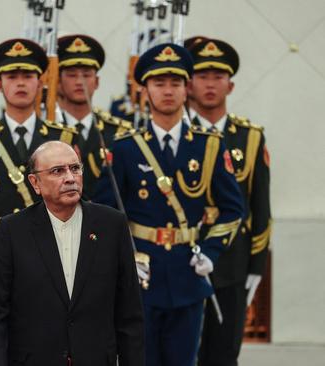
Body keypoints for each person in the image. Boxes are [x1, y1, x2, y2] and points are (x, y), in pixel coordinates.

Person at [93, 43, 244, 366]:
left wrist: (211, 251)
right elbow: (105, 214)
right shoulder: (126, 149)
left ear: (187, 88)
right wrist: (126, 257)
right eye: (159, 83)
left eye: (175, 83)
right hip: (140, 278)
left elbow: (233, 208)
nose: (167, 91)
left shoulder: (209, 147)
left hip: (188, 276)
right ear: (145, 90)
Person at [0, 141, 145, 366]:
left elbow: (129, 313)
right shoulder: (12, 230)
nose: (70, 178)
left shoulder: (111, 225)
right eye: (58, 171)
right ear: (35, 183)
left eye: (75, 168)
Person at [187, 38, 272, 366]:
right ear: (190, 83)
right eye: (203, 76)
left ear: (230, 85)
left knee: (224, 353)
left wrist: (255, 266)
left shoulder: (249, 137)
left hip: (233, 261)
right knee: (184, 351)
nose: (210, 84)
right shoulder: (179, 133)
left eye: (218, 77)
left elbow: (260, 205)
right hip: (186, 257)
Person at [0, 38, 77, 260]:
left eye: (28, 76)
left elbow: (76, 201)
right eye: (12, 77)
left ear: (40, 83)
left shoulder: (61, 138)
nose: (20, 83)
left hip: (49, 250)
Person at [56, 34, 132, 198]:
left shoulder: (119, 131)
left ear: (97, 81)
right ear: (59, 82)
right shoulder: (49, 131)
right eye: (71, 74)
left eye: (86, 74)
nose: (79, 81)